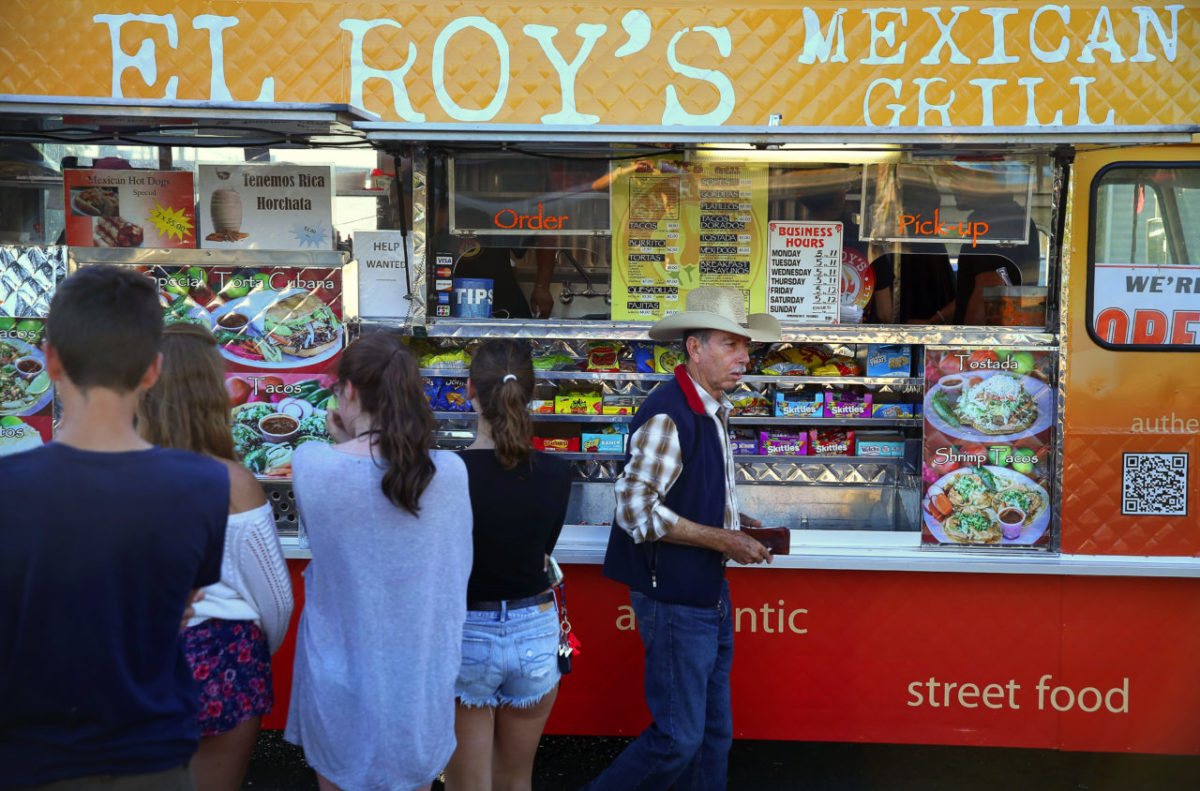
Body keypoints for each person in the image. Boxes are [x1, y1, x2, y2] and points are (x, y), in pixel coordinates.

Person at [0, 265, 227, 790]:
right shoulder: (202, 486)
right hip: (156, 759)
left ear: (51, 360)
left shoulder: (9, 489)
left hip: (30, 761)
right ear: (153, 369)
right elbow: (178, 608)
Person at [584, 287, 778, 791]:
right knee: (678, 739)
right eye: (731, 345)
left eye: (746, 347)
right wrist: (722, 540)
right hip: (674, 595)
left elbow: (689, 491)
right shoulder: (671, 412)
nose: (744, 357)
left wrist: (736, 523)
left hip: (703, 590)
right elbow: (634, 511)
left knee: (713, 736)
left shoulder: (707, 406)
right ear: (695, 348)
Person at [284, 333, 473, 791]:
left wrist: (344, 436)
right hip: (420, 685)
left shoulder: (312, 464)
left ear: (349, 391)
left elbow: (351, 474)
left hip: (337, 680)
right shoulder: (449, 471)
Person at [135, 322, 294, 791]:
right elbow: (276, 604)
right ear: (211, 391)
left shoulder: (110, 474)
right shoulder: (233, 481)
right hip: (225, 657)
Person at [444, 339, 572, 791]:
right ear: (532, 394)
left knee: (467, 784)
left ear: (468, 391)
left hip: (466, 631)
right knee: (517, 780)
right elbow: (544, 549)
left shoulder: (445, 473)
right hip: (535, 631)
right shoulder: (557, 473)